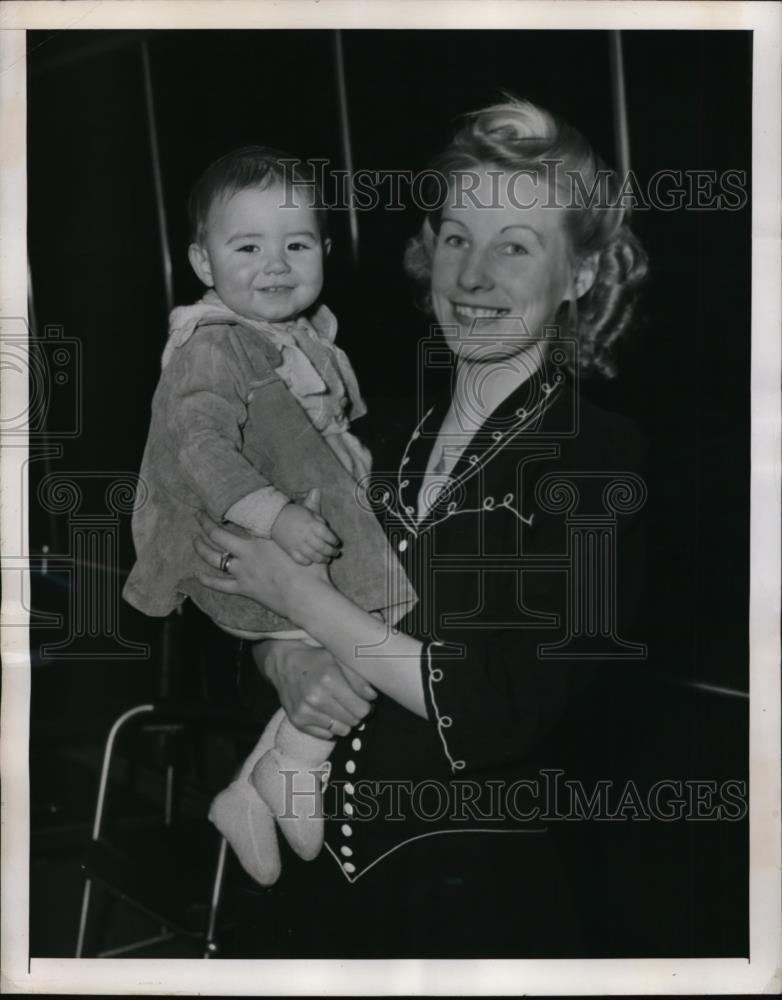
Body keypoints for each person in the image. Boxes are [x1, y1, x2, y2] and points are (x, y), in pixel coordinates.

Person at [195, 98, 649, 958]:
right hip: (304, 893)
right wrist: (277, 656)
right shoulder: (368, 428)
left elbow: (492, 708)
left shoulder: (599, 460)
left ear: (581, 275)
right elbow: (226, 595)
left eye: (515, 246)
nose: (473, 278)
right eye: (455, 239)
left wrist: (298, 595)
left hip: (470, 907)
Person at [123, 146, 415, 887]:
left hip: (297, 532)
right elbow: (200, 449)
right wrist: (279, 516)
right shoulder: (213, 345)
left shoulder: (303, 335)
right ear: (201, 259)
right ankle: (285, 770)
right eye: (247, 246)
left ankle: (257, 787)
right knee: (377, 635)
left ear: (324, 248)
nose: (276, 264)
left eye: (297, 243)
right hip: (249, 544)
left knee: (362, 649)